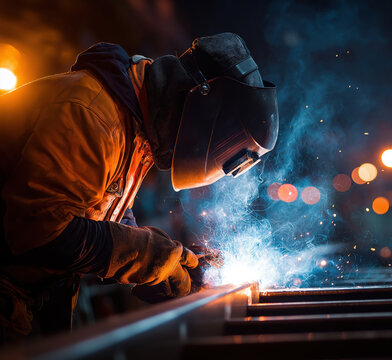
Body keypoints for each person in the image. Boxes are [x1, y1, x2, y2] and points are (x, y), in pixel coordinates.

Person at [0, 32, 278, 342]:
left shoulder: (132, 129)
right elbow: (39, 230)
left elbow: (101, 212)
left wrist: (176, 261)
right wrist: (147, 256)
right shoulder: (91, 113)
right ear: (201, 107)